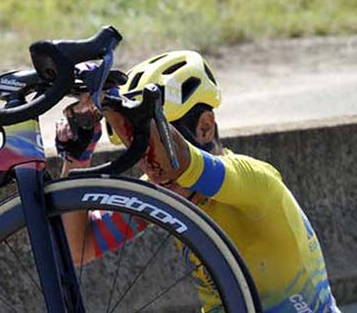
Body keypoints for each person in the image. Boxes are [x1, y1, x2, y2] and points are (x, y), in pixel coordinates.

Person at [56, 51, 341, 313]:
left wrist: (115, 103)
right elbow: (79, 248)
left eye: (152, 142)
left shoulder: (255, 180)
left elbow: (182, 160)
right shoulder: (164, 190)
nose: (150, 164)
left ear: (204, 127)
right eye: (137, 151)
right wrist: (78, 158)